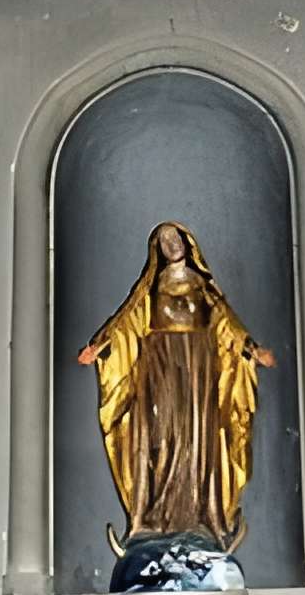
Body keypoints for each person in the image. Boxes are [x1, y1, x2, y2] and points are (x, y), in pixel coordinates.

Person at [78, 222, 274, 551]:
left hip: (198, 369)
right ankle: (153, 517)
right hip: (160, 369)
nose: (172, 244)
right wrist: (99, 347)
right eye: (165, 240)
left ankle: (202, 518)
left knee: (198, 437)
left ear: (187, 242)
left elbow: (227, 324)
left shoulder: (203, 287)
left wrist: (253, 350)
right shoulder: (150, 290)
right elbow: (126, 322)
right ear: (157, 250)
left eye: (175, 238)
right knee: (159, 436)